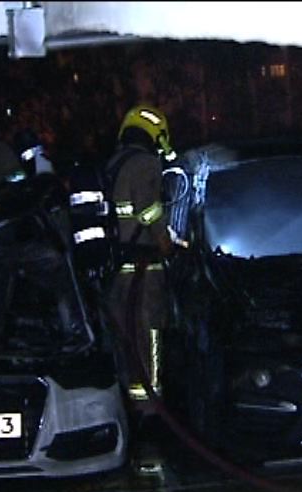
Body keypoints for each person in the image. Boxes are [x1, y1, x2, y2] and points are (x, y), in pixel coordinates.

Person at [105, 104, 177, 406]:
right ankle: (152, 407)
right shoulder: (146, 163)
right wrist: (165, 242)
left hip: (116, 268)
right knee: (150, 337)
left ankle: (128, 403)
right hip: (145, 269)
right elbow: (149, 209)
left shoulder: (113, 163)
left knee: (124, 338)